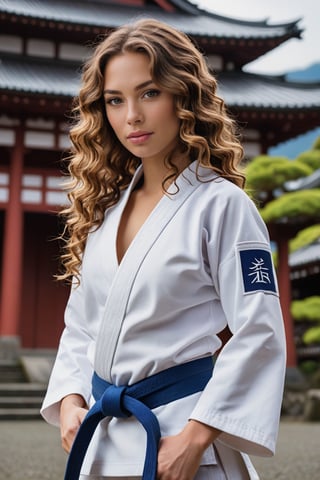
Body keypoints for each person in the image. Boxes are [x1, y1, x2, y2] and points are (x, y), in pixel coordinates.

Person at [41, 18, 286, 480]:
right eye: (115, 100)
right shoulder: (105, 209)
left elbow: (260, 329)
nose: (131, 115)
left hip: (180, 440)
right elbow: (81, 326)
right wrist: (72, 397)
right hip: (105, 440)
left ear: (183, 96)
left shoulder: (223, 205)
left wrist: (195, 437)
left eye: (149, 93)